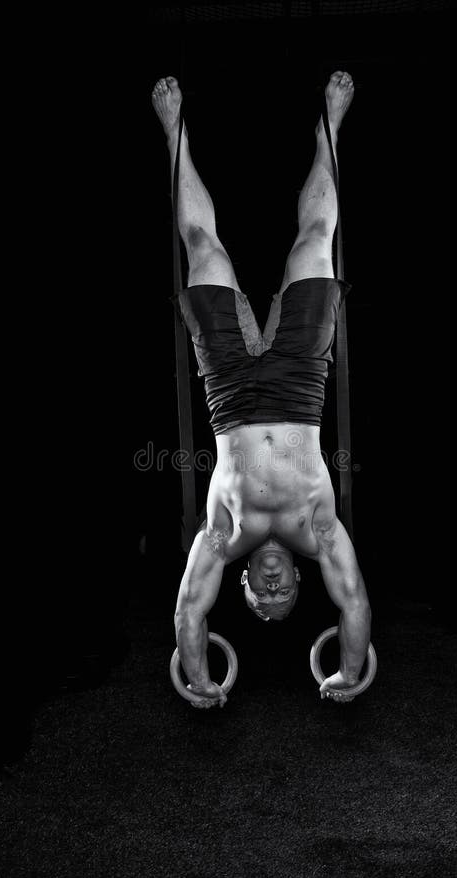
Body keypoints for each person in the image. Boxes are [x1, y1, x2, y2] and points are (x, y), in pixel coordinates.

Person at [152, 71, 371, 709]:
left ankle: (175, 136)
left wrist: (199, 681)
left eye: (260, 595)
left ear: (245, 580)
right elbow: (354, 600)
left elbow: (190, 610)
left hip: (230, 393)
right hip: (301, 386)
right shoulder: (319, 528)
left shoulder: (223, 533)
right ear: (300, 579)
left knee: (202, 247)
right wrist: (349, 672)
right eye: (284, 595)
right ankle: (330, 123)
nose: (273, 590)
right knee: (315, 242)